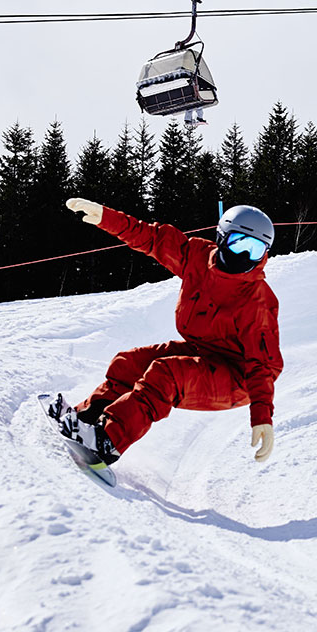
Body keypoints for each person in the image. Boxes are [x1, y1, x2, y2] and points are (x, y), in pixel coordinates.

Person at [53, 198, 282, 465]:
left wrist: (262, 417)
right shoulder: (196, 256)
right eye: (238, 243)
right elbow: (152, 238)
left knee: (166, 375)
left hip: (239, 377)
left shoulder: (257, 301)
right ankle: (86, 418)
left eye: (254, 250)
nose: (244, 256)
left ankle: (107, 442)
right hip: (206, 352)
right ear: (221, 237)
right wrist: (105, 216)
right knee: (131, 363)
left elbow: (261, 366)